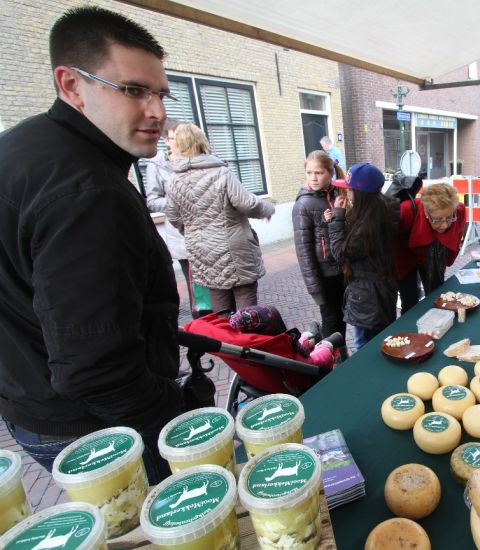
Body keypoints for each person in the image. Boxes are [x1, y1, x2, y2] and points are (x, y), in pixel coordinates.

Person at [0, 6, 183, 483]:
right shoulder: (88, 191)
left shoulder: (20, 148)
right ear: (71, 84)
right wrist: (176, 420)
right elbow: (95, 368)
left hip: (30, 396)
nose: (158, 112)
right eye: (134, 90)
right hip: (98, 427)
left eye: (161, 93)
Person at [166, 123, 276, 314]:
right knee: (245, 303)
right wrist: (268, 208)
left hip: (202, 250)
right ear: (202, 142)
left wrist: (191, 231)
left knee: (218, 300)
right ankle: (247, 333)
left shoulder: (175, 180)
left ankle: (226, 333)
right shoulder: (221, 173)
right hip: (234, 248)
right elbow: (247, 203)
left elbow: (173, 215)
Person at [327, 163, 399, 350]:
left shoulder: (368, 226)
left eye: (349, 189)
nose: (346, 193)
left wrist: (337, 217)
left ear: (361, 194)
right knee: (382, 341)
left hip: (367, 295)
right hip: (381, 290)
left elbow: (340, 253)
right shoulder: (382, 210)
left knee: (364, 344)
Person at [145, 118, 203, 316]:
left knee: (220, 288)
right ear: (167, 141)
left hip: (209, 233)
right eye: (174, 137)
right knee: (197, 291)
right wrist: (180, 201)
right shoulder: (157, 165)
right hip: (183, 236)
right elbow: (152, 201)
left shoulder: (199, 160)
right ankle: (203, 325)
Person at [292, 150, 348, 346]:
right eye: (309, 173)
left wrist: (339, 214)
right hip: (325, 275)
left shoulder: (338, 194)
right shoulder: (303, 204)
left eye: (318, 173)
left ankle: (340, 354)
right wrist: (314, 287)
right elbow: (304, 251)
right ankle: (330, 357)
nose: (313, 178)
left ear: (330, 173)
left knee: (342, 317)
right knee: (331, 321)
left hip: (342, 270)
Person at [396, 183, 467, 313]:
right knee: (410, 300)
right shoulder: (406, 209)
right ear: (426, 213)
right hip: (405, 255)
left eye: (449, 218)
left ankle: (437, 318)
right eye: (437, 219)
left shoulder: (459, 210)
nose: (444, 225)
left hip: (434, 252)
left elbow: (457, 236)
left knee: (437, 294)